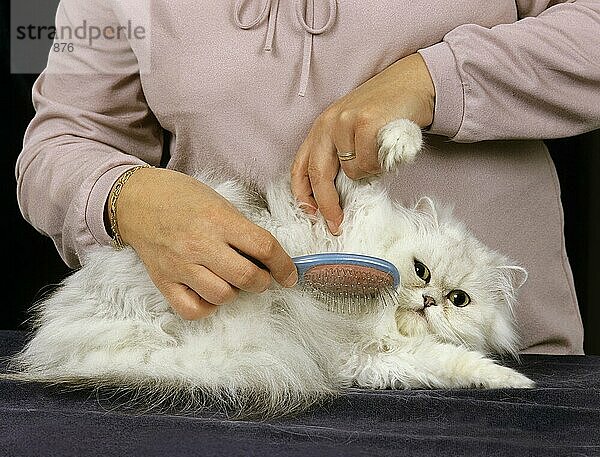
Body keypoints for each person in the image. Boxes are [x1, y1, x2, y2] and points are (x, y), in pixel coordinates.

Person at [16, 0, 600, 354]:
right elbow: (58, 141)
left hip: (497, 370)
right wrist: (127, 197)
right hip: (243, 382)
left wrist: (433, 78)